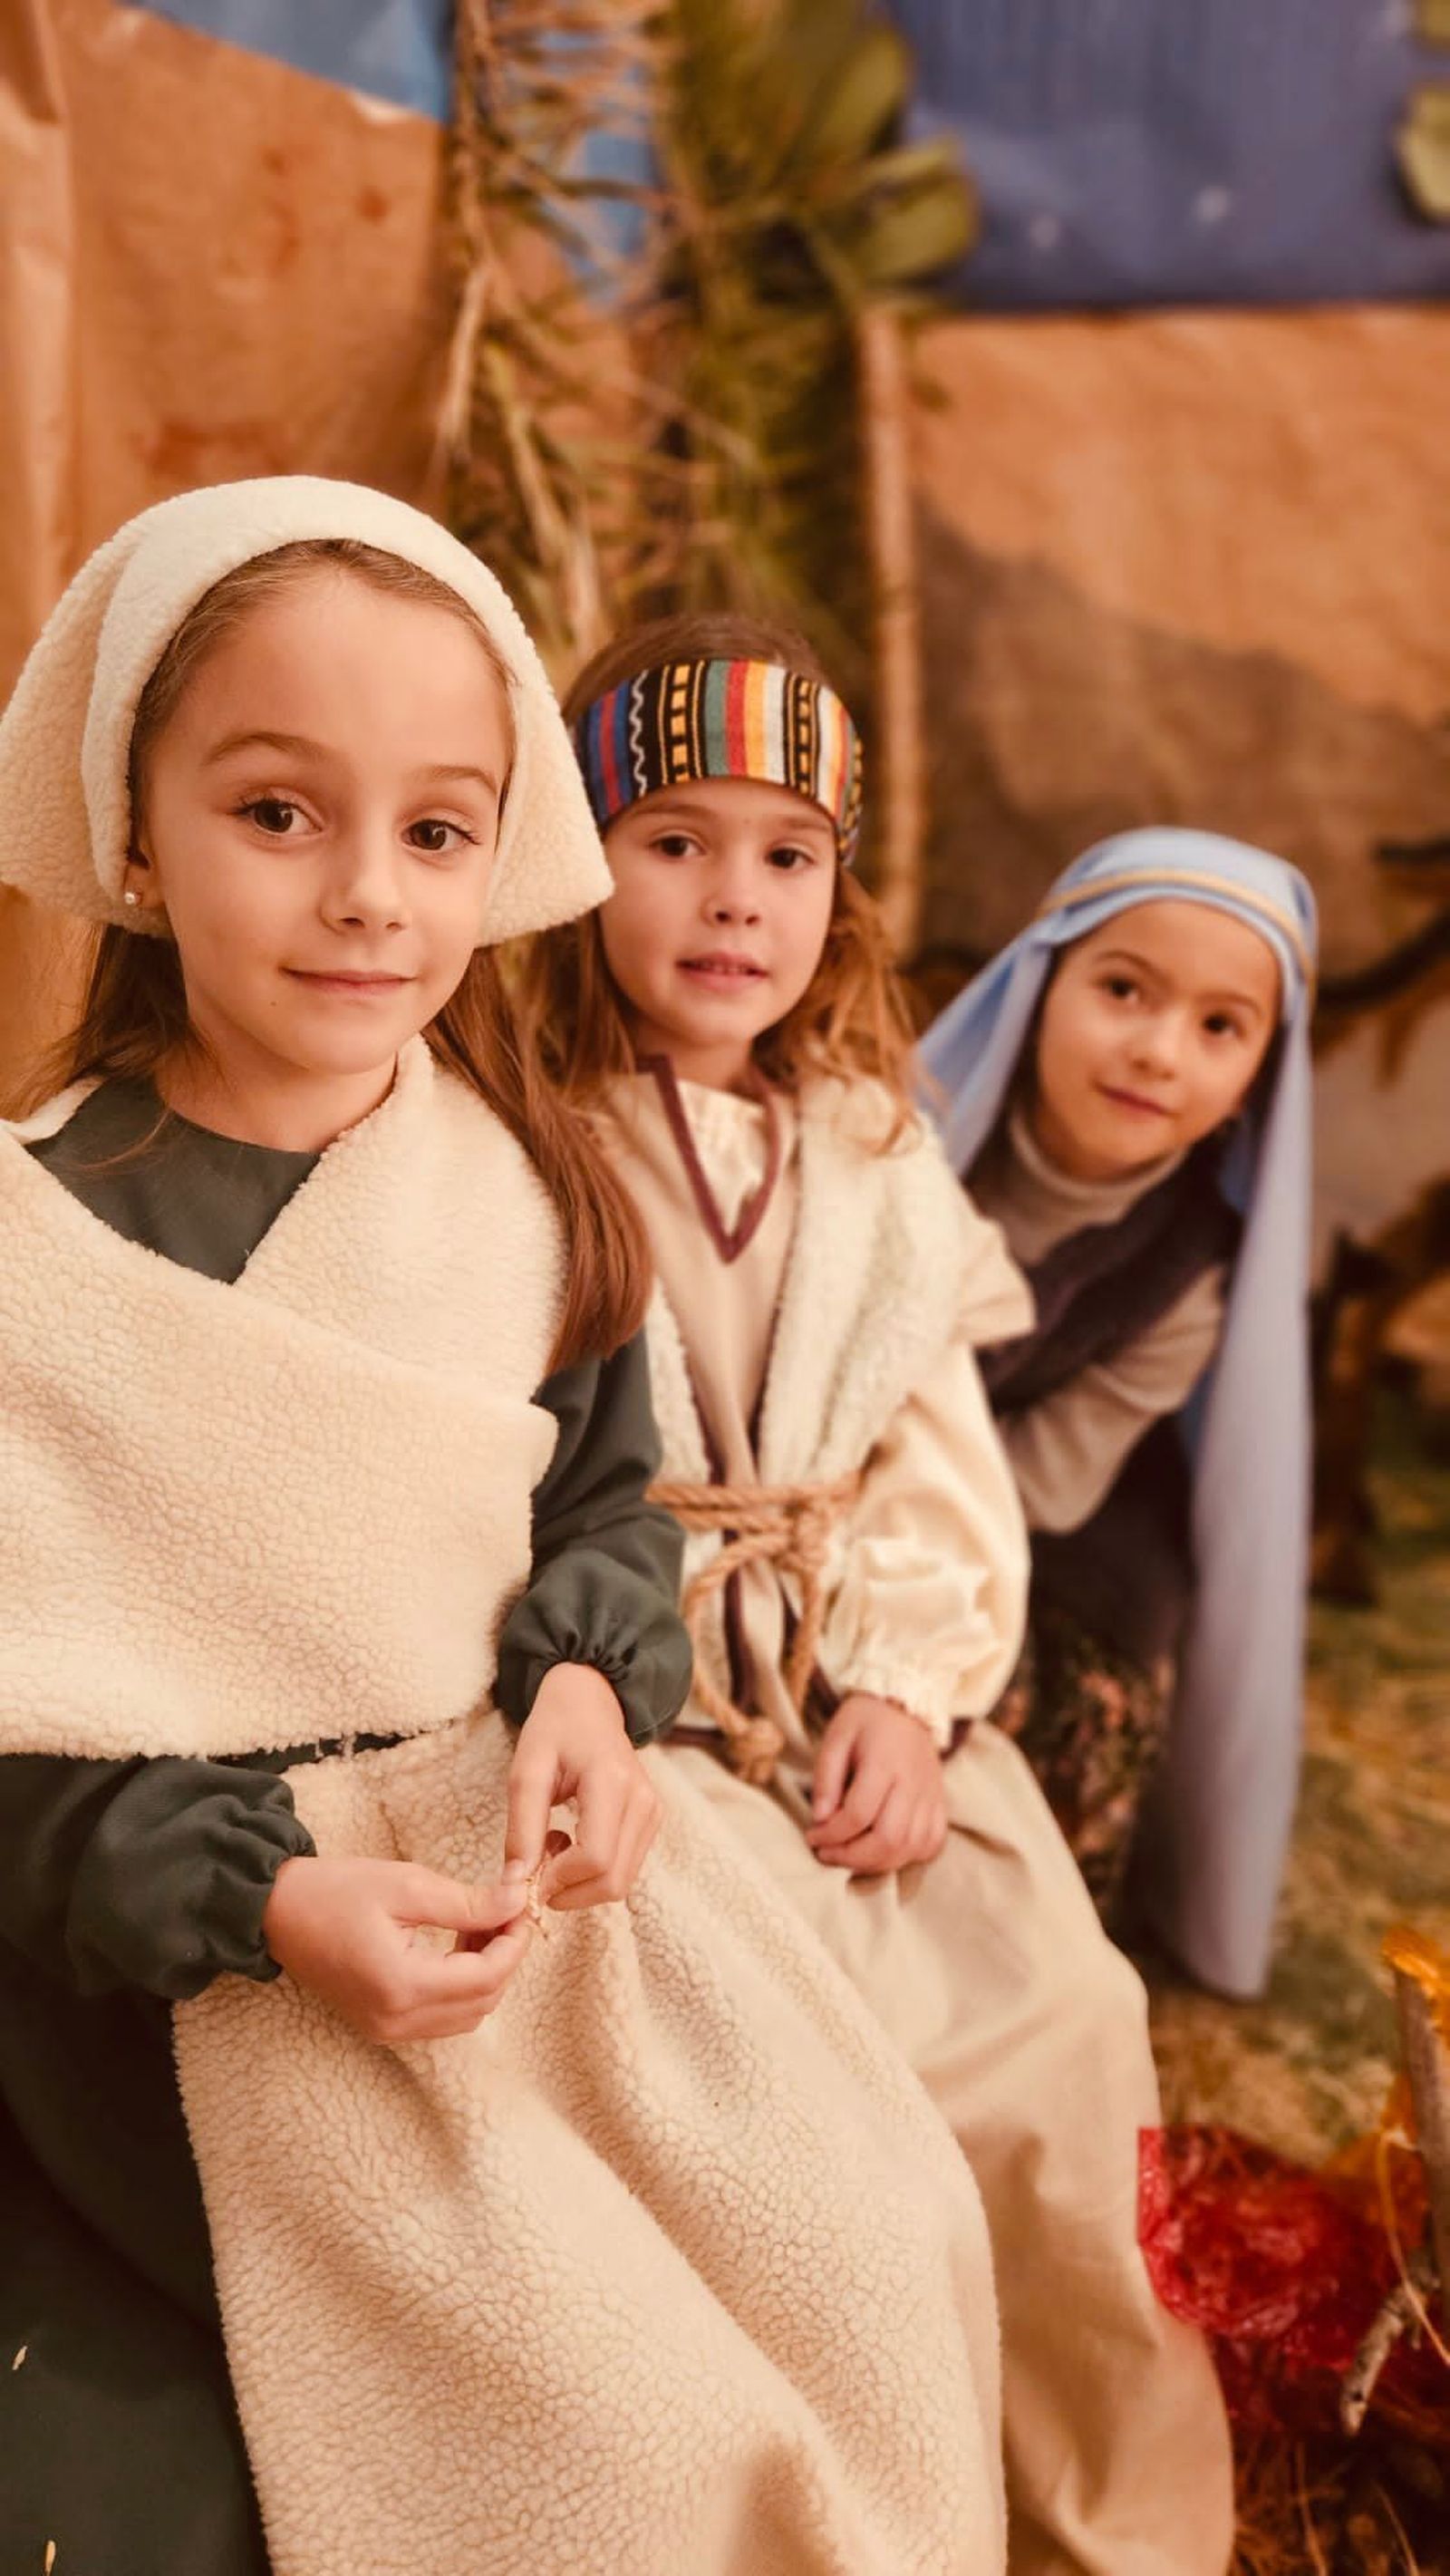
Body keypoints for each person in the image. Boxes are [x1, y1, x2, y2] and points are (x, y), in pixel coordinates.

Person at [0, 485, 1010, 2576]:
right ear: (130, 826)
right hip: (173, 1994)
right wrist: (262, 1905)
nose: (371, 895)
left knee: (869, 2237)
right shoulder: (39, 1251)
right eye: (279, 811)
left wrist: (579, 1675)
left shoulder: (533, 1196)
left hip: (528, 1899)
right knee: (586, 2448)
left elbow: (595, 1501)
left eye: (439, 830)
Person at [525, 608, 1237, 2576]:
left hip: (840, 1698)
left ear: (837, 892)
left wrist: (907, 1700)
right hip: (644, 1717)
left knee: (1059, 2029)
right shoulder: (518, 1138)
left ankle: (1105, 2526)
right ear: (576, 859)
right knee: (814, 2141)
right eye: (669, 837)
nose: (727, 898)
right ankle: (859, 2512)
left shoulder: (869, 1158)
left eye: (783, 851)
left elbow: (937, 1469)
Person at [921, 829, 1317, 2000]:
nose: (1157, 1051)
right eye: (1124, 988)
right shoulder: (913, 1140)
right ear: (1041, 985)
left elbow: (1044, 1478)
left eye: (1218, 1025)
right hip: (832, 1459)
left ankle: (1002, 1955)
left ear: (1257, 1075)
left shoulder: (1197, 1268)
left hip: (1040, 1518)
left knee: (1066, 1703)